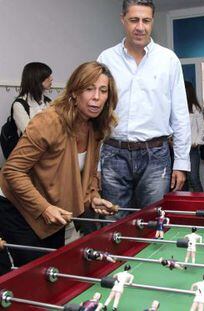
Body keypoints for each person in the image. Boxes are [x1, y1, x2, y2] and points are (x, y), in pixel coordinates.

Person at [0, 61, 118, 275]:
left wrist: (93, 196)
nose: (96, 97)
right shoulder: (48, 122)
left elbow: (85, 173)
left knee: (53, 273)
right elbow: (12, 171)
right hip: (17, 208)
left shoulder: (95, 126)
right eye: (89, 89)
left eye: (103, 90)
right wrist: (44, 207)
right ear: (74, 92)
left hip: (52, 208)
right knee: (36, 277)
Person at [97, 0, 191, 218]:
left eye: (146, 20)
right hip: (113, 154)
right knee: (113, 224)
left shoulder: (168, 60)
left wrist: (181, 162)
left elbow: (180, 115)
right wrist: (96, 167)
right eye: (134, 20)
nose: (140, 27)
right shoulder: (106, 59)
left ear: (152, 21)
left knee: (153, 222)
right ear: (123, 20)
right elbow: (97, 116)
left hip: (156, 156)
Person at [13, 62, 53, 134]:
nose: (51, 79)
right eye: (47, 76)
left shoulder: (49, 102)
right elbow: (30, 134)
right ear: (37, 78)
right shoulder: (19, 105)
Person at [186, 81, 204, 192]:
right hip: (179, 148)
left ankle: (202, 205)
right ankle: (184, 207)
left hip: (192, 149)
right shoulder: (177, 107)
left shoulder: (195, 108)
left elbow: (202, 128)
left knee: (194, 179)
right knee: (182, 180)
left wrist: (197, 142)